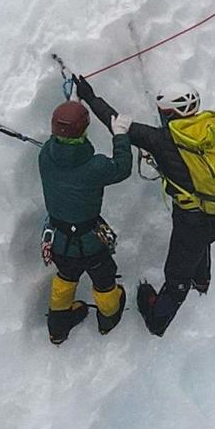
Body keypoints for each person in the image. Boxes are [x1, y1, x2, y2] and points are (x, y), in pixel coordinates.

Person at [70, 75, 215, 336]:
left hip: (195, 217)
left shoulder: (162, 140)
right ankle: (201, 279)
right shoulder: (213, 125)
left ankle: (158, 319)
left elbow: (117, 123)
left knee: (177, 273)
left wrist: (89, 96)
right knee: (201, 241)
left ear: (169, 113)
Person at [35, 98, 135, 344]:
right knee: (104, 280)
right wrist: (120, 135)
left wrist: (69, 110)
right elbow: (122, 167)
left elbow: (58, 141)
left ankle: (57, 328)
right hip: (91, 241)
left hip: (58, 239)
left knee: (66, 276)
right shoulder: (96, 166)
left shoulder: (46, 156)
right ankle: (108, 319)